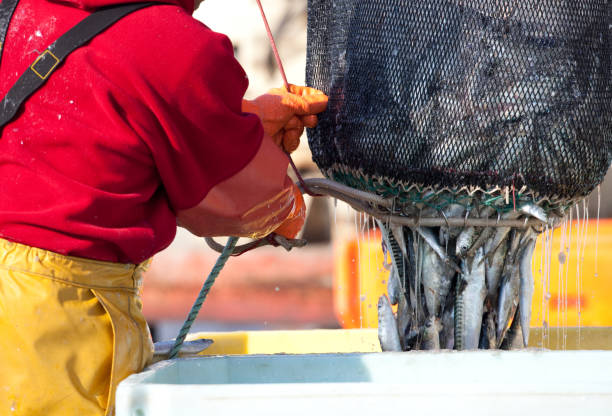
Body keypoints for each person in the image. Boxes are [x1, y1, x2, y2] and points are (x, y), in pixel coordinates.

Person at [0, 0, 328, 414]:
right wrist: (280, 196)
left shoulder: (24, 10)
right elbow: (236, 204)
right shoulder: (181, 46)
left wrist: (242, 122)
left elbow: (93, 109)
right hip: (57, 319)